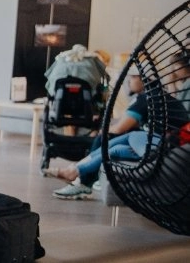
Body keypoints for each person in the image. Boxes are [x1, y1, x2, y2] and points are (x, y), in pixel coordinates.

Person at [46, 70, 190, 199]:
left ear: (144, 79)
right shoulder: (159, 97)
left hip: (166, 147)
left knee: (119, 136)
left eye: (133, 77)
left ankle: (77, 174)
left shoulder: (147, 98)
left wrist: (102, 130)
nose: (129, 81)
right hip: (168, 147)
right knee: (115, 149)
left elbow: (120, 128)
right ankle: (78, 175)